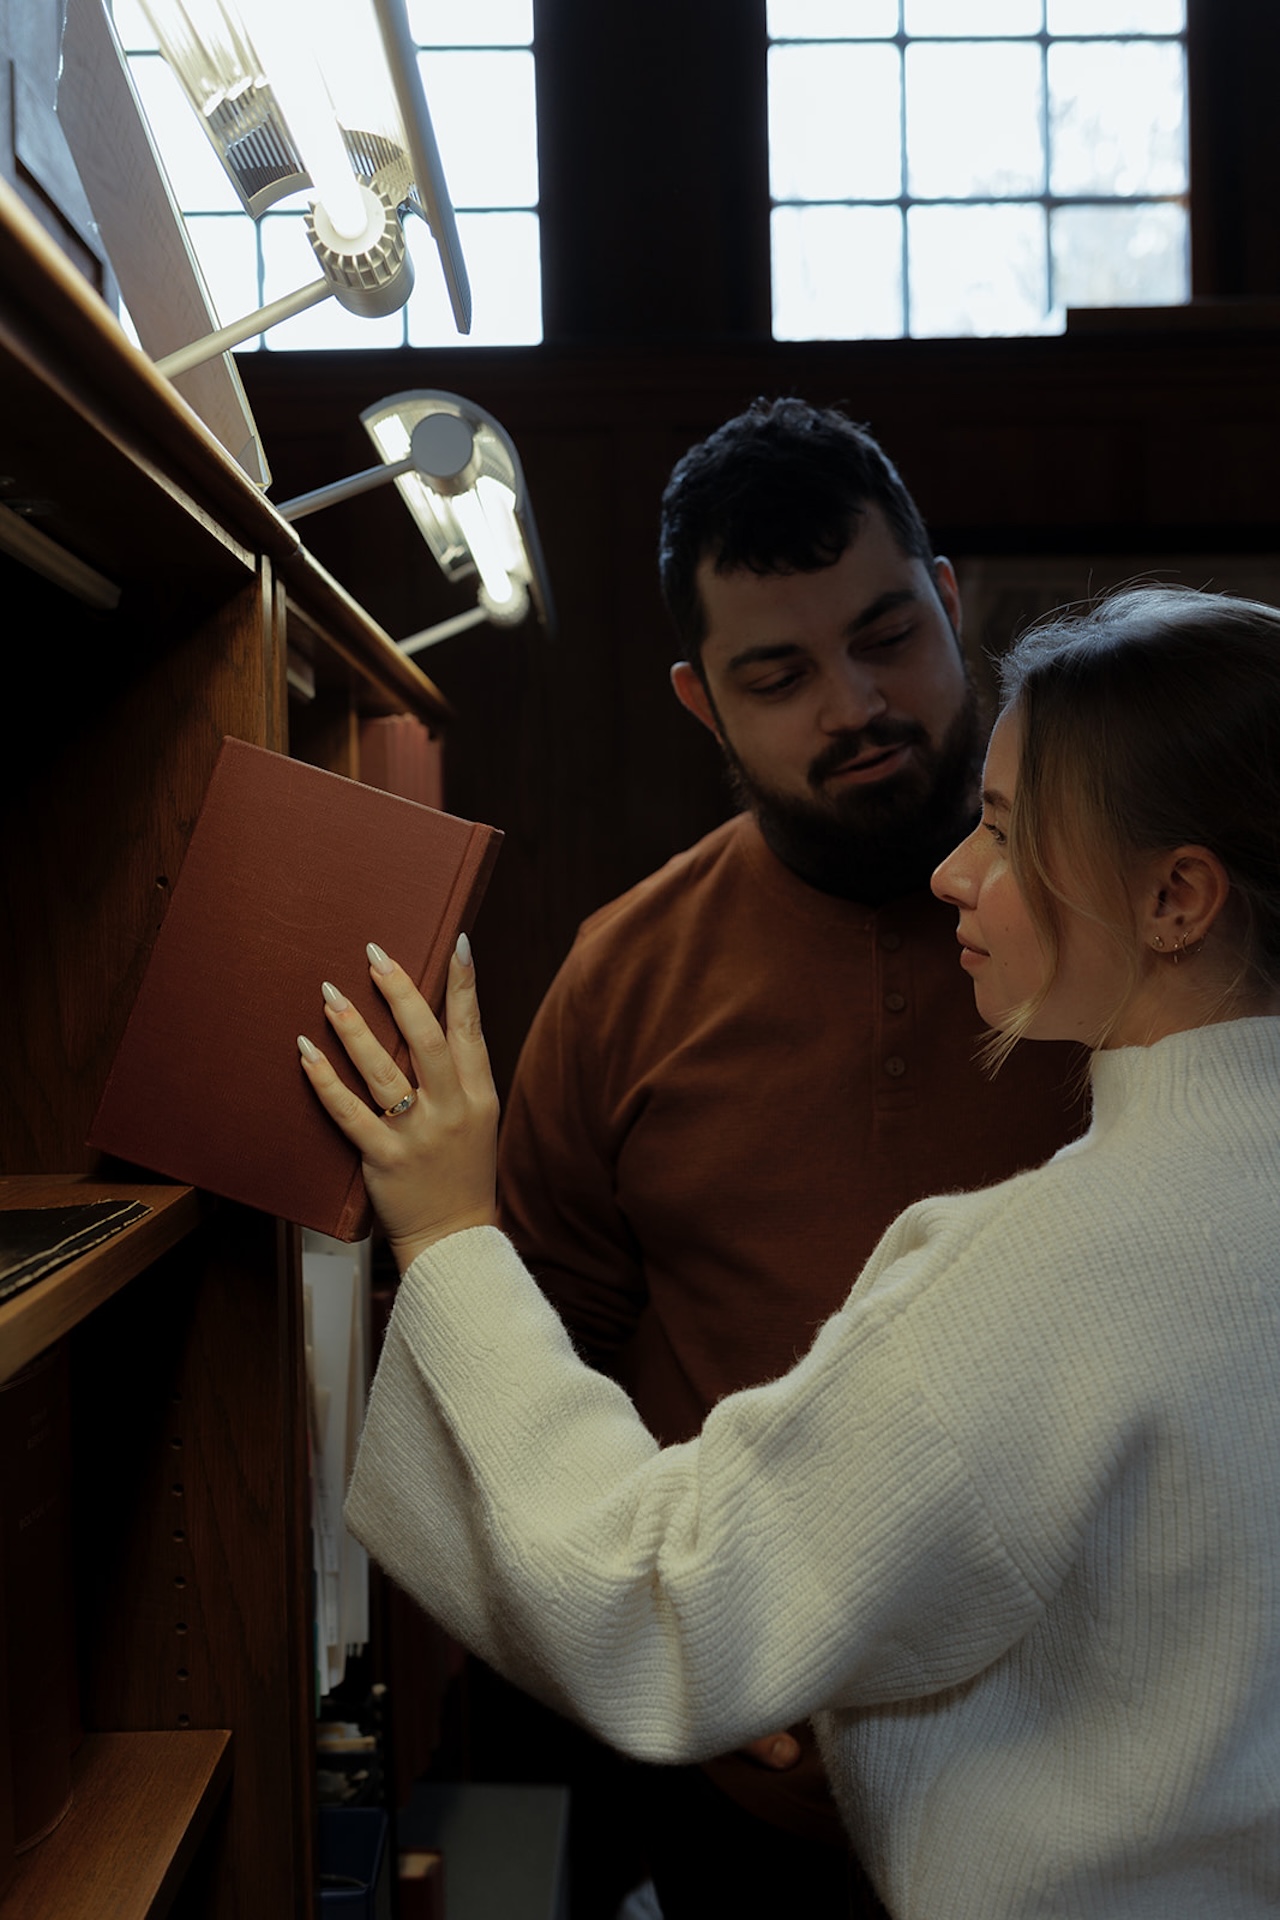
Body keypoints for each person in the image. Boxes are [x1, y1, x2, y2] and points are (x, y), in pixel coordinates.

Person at [301, 583, 1280, 1918]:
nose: (954, 871)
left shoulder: (1041, 1271)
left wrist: (452, 1232)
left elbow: (665, 1604)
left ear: (1175, 897)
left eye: (1003, 831)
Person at [492, 397, 1085, 1915]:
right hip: (752, 1799)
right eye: (782, 674)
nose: (856, 703)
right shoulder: (623, 979)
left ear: (952, 605)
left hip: (1104, 1778)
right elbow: (539, 1392)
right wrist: (678, 1638)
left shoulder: (1150, 923)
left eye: (889, 635)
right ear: (702, 703)